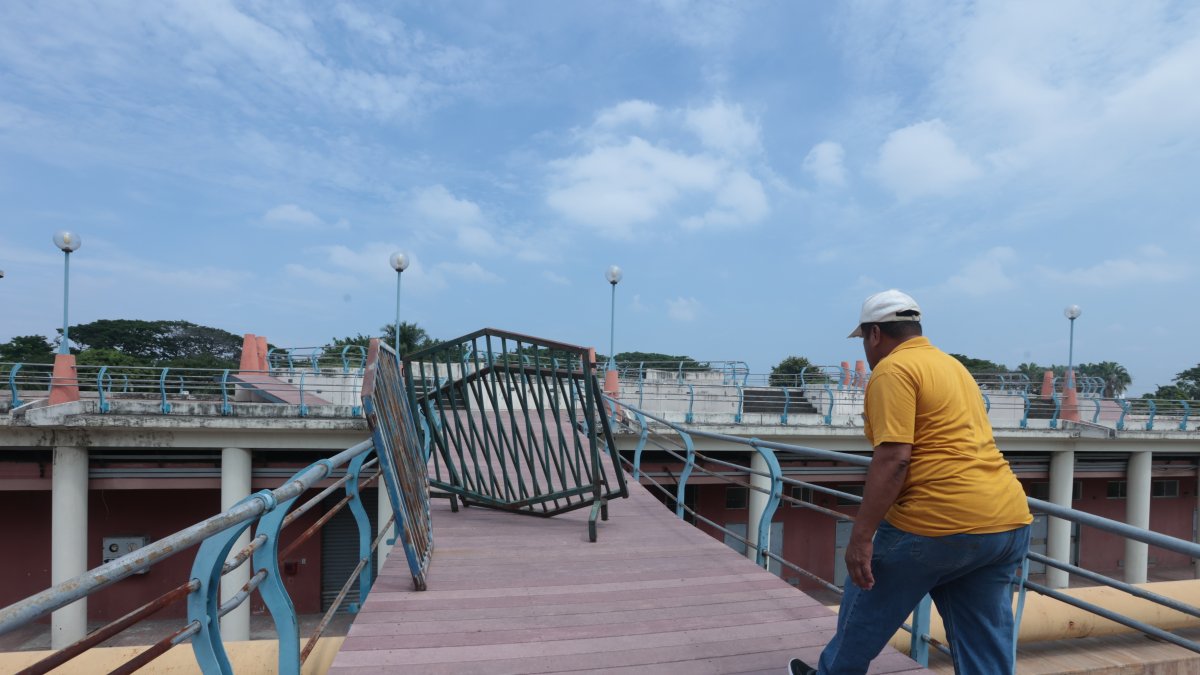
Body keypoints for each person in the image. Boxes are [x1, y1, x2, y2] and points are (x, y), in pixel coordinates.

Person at [790, 290, 1032, 675]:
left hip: (938, 523)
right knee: (985, 647)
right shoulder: (953, 366)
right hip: (1006, 523)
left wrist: (860, 538)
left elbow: (894, 457)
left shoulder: (892, 369)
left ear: (874, 334)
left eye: (865, 343)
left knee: (864, 603)